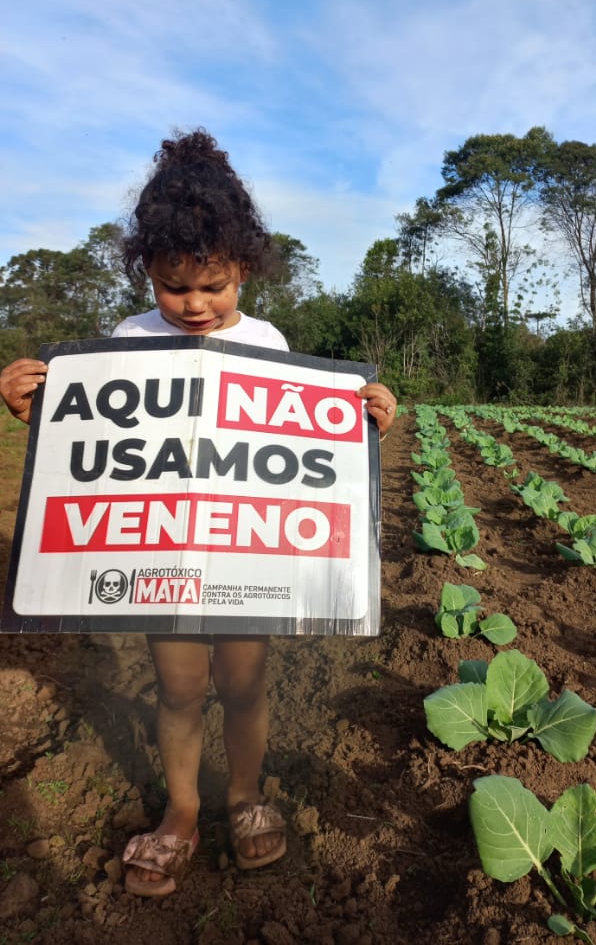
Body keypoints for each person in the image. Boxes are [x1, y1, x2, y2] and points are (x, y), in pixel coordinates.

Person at [0, 129, 397, 897]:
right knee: (180, 688)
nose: (193, 304)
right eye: (172, 286)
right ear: (147, 273)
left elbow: (304, 440)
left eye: (212, 285)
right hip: (157, 560)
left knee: (245, 684)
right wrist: (34, 411)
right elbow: (91, 447)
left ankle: (244, 797)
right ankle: (181, 810)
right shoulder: (121, 343)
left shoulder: (268, 342)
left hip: (246, 557)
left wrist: (364, 419)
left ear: (244, 269)